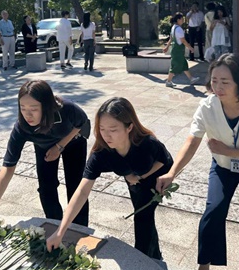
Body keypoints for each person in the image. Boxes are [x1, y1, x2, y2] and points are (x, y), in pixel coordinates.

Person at [157, 53, 239, 270]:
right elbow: (192, 140)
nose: (218, 87)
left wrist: (229, 150)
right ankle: (204, 266)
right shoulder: (207, 106)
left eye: (225, 82)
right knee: (212, 212)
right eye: (214, 81)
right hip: (223, 167)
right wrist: (172, 173)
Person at [46, 97, 173, 260]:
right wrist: (60, 231)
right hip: (133, 176)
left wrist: (140, 176)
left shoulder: (147, 144)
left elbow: (166, 161)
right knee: (143, 214)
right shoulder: (101, 153)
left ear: (129, 127)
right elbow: (82, 192)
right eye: (102, 129)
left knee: (143, 216)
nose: (106, 135)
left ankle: (142, 260)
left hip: (155, 177)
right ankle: (154, 257)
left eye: (113, 129)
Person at [0, 80, 90, 236]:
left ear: (47, 106)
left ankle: (80, 230)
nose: (27, 114)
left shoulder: (66, 109)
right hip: (43, 146)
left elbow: (82, 123)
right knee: (46, 189)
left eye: (34, 109)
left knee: (76, 187)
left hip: (72, 141)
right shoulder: (22, 127)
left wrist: (59, 147)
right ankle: (56, 228)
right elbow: (8, 167)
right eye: (23, 108)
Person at [163, 12, 200, 88]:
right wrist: (190, 47)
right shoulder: (179, 29)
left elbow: (171, 38)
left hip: (176, 50)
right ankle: (168, 81)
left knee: (184, 65)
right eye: (182, 19)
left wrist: (167, 47)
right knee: (174, 67)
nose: (183, 20)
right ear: (178, 19)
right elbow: (183, 40)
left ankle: (191, 78)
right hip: (178, 51)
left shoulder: (173, 27)